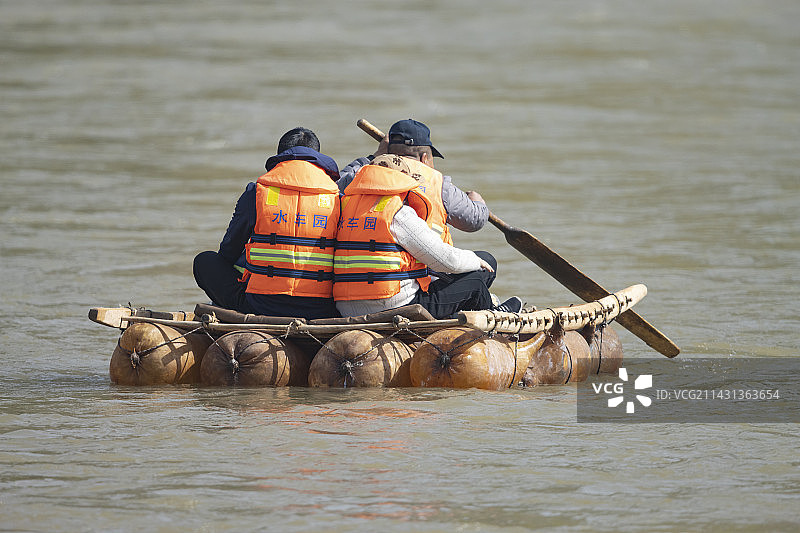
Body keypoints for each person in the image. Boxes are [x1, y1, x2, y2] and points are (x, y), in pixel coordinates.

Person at [333, 154, 521, 319]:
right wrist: (475, 260)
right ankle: (495, 314)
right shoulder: (397, 212)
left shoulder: (344, 207)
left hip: (344, 306)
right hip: (393, 305)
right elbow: (445, 261)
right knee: (476, 283)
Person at [193, 127, 341, 320]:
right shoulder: (337, 196)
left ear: (280, 156)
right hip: (321, 309)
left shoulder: (257, 192)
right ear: (317, 156)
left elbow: (228, 251)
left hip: (260, 306)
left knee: (205, 261)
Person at [338, 118, 489, 235]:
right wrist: (479, 203)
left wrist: (375, 156)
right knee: (484, 262)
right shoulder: (439, 184)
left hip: (363, 266)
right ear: (424, 158)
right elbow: (474, 221)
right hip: (422, 269)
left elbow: (335, 186)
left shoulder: (365, 173)